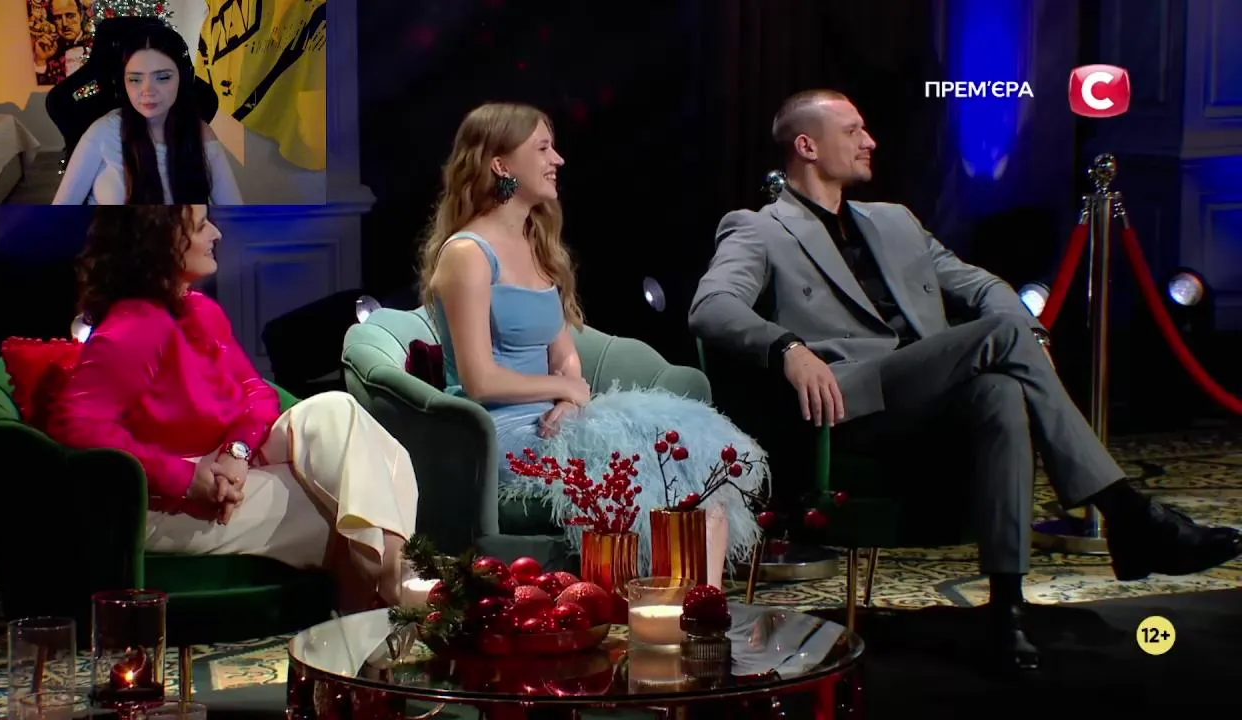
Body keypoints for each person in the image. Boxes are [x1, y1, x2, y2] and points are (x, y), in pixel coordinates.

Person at [688, 89, 1242, 670]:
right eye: (852, 131)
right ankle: (1128, 513)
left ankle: (1006, 611)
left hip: (930, 395)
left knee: (1000, 391)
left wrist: (1033, 338)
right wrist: (788, 347)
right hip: (851, 403)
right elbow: (711, 307)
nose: (869, 141)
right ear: (807, 145)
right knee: (1000, 336)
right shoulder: (759, 228)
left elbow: (982, 287)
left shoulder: (895, 221)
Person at [418, 103, 767, 582]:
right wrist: (564, 390)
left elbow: (564, 354)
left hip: (558, 417)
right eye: (543, 148)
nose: (557, 159)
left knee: (695, 460)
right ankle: (648, 598)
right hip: (499, 433)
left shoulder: (536, 244)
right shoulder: (467, 255)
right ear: (500, 164)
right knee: (638, 471)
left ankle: (698, 605)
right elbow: (480, 380)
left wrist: (570, 395)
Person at [46, 205, 416, 612]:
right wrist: (187, 477)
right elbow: (75, 425)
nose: (217, 233)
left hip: (232, 467)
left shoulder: (200, 309)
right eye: (201, 226)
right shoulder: (133, 327)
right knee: (361, 494)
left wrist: (235, 452)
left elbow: (257, 391)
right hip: (167, 502)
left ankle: (387, 593)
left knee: (337, 411)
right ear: (159, 242)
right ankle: (395, 595)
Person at [52, 22, 242, 205]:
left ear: (183, 79)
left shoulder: (201, 134)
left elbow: (235, 211)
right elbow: (61, 210)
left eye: (163, 78)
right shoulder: (102, 132)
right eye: (135, 79)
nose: (148, 91)